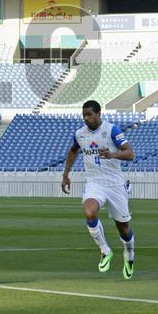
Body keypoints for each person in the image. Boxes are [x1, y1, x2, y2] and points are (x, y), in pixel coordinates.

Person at [61, 100, 136, 280]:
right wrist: (66, 174)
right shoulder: (80, 134)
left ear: (98, 113)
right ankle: (105, 250)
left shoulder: (112, 130)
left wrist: (113, 154)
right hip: (95, 182)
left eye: (89, 115)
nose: (86, 119)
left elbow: (130, 153)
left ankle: (129, 255)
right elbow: (73, 151)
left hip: (115, 184)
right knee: (89, 212)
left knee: (123, 228)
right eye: (84, 115)